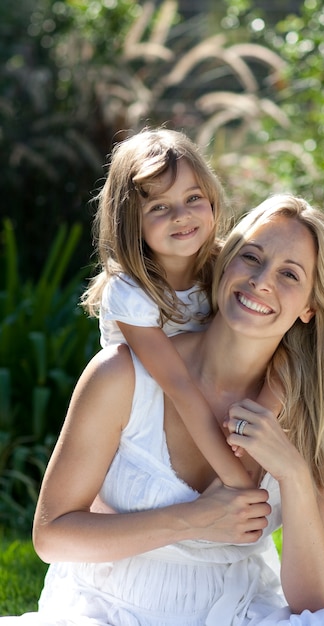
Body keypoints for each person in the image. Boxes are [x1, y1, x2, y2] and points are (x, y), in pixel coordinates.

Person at [3, 195, 324, 626]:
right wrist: (192, 519)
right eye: (251, 258)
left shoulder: (308, 412)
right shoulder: (124, 376)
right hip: (110, 610)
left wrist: (292, 473)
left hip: (238, 611)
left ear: (311, 307)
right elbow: (51, 536)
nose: (261, 281)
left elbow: (312, 598)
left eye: (289, 275)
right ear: (225, 264)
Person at [81, 127, 279, 490]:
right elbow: (178, 386)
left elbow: (277, 348)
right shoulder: (129, 291)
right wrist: (237, 480)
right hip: (142, 418)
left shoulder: (225, 268)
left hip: (211, 409)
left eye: (193, 198)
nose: (181, 215)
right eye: (159, 207)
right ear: (131, 223)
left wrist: (252, 437)